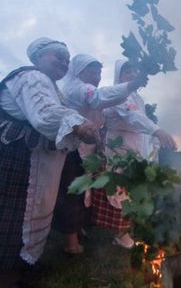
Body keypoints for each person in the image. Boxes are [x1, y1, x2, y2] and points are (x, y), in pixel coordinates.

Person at [0, 38, 97, 288]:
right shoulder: (31, 77)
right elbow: (44, 114)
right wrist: (78, 123)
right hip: (8, 158)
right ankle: (6, 275)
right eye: (58, 56)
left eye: (67, 59)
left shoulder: (51, 86)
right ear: (37, 58)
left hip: (21, 156)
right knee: (9, 213)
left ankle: (21, 263)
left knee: (26, 209)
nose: (64, 62)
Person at [53, 54, 148, 254]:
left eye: (99, 71)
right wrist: (156, 130)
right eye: (92, 71)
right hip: (74, 148)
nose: (97, 76)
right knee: (75, 191)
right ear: (79, 71)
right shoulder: (80, 88)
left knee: (86, 189)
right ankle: (71, 243)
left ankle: (80, 229)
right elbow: (106, 102)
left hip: (90, 148)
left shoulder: (131, 96)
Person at [91, 60, 176, 248]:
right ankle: (119, 234)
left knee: (130, 188)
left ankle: (126, 230)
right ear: (119, 75)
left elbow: (141, 120)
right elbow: (133, 117)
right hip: (119, 146)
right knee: (119, 187)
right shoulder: (119, 95)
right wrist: (157, 131)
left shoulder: (137, 98)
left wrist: (152, 144)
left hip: (134, 147)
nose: (131, 73)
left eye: (134, 70)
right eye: (127, 71)